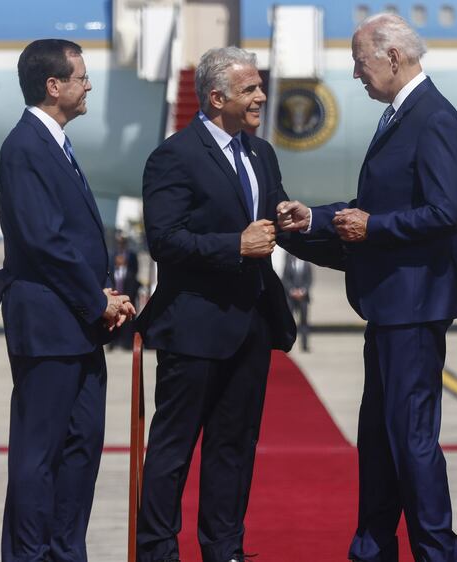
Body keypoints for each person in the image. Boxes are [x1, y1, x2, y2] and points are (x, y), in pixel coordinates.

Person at [278, 14, 457, 562]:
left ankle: (436, 553)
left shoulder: (432, 117)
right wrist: (314, 220)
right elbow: (377, 206)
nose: (354, 75)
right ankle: (371, 550)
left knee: (411, 443)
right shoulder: (400, 115)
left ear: (392, 57)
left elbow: (445, 212)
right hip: (390, 305)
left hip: (414, 305)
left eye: (359, 62)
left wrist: (374, 228)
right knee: (378, 443)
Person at [0, 39, 135, 562]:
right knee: (38, 454)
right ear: (53, 86)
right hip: (48, 324)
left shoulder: (56, 145)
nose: (88, 86)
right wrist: (97, 298)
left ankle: (66, 550)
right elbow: (44, 240)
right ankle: (29, 553)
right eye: (82, 77)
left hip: (78, 323)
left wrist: (100, 296)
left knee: (82, 446)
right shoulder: (24, 148)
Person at [133, 46, 300, 562]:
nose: (261, 97)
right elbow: (164, 241)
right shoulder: (174, 156)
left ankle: (224, 549)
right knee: (173, 449)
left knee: (234, 447)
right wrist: (234, 245)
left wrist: (305, 219)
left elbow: (273, 218)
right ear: (215, 97)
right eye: (250, 89)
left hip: (249, 324)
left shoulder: (260, 153)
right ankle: (159, 551)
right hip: (194, 326)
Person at [109, 232, 142, 350]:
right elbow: (110, 270)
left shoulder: (131, 255)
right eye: (119, 241)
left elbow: (135, 271)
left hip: (128, 290)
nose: (121, 243)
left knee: (128, 319)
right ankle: (113, 342)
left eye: (123, 241)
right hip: (116, 289)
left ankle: (127, 342)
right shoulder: (113, 255)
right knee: (114, 316)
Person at [282, 254, 313, 352]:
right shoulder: (289, 262)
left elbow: (309, 280)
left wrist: (303, 291)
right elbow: (285, 279)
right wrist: (292, 291)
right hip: (291, 297)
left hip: (303, 298)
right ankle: (287, 344)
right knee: (289, 321)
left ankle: (304, 345)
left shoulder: (307, 264)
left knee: (303, 322)